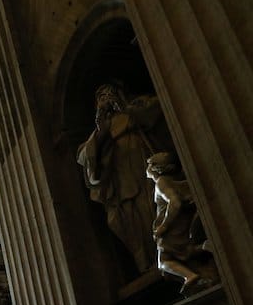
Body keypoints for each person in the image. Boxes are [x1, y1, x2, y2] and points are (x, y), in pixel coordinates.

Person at [77, 82, 167, 272]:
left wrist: (126, 109)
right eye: (101, 98)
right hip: (120, 182)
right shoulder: (100, 131)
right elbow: (86, 158)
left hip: (142, 170)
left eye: (109, 95)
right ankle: (147, 261)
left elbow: (156, 110)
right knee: (125, 220)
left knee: (151, 206)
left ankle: (165, 254)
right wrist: (102, 131)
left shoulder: (135, 109)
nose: (106, 101)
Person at [147, 152, 216, 292]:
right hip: (180, 225)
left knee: (163, 261)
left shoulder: (162, 183)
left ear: (157, 168)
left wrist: (163, 226)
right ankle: (204, 248)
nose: (148, 167)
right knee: (184, 252)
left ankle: (190, 276)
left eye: (151, 164)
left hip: (171, 228)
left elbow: (175, 202)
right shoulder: (172, 180)